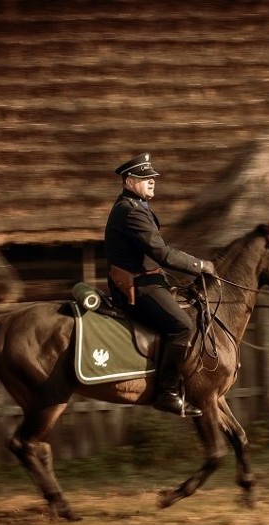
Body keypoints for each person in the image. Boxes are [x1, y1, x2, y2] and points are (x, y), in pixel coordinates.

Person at [104, 153, 216, 418]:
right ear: (130, 181)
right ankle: (168, 393)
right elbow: (162, 253)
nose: (153, 181)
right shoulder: (130, 211)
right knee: (182, 326)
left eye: (153, 177)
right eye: (145, 177)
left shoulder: (136, 206)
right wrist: (201, 266)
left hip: (148, 278)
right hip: (137, 286)